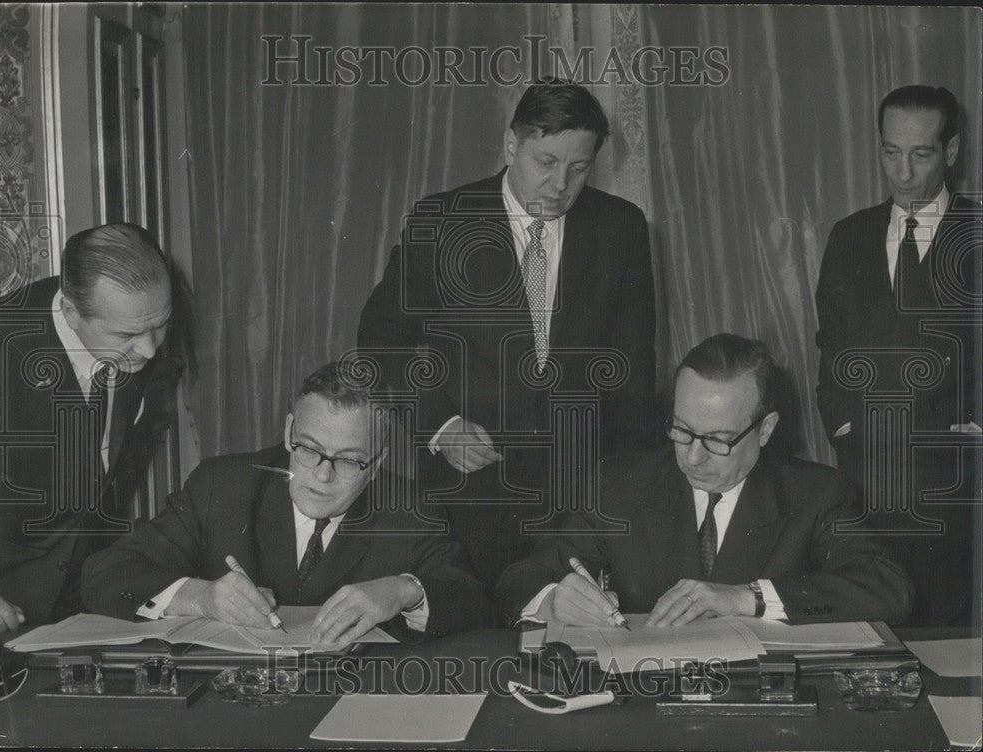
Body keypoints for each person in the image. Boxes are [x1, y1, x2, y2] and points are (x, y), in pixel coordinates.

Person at [358, 79, 656, 592]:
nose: (560, 184)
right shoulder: (443, 220)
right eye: (546, 162)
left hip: (580, 504)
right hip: (468, 500)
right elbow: (381, 339)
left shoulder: (621, 226)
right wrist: (440, 425)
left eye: (579, 168)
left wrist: (626, 490)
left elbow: (633, 369)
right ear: (512, 145)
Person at [496, 334, 914, 628]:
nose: (692, 456)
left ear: (765, 430)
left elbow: (890, 590)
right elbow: (520, 578)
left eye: (717, 440)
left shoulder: (816, 494)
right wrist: (553, 600)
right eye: (681, 430)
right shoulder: (618, 486)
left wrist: (746, 597)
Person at [81, 362, 491, 644]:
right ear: (289, 429)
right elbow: (106, 574)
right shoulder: (223, 485)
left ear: (378, 462)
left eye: (349, 460)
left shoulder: (409, 509)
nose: (322, 474)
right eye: (309, 448)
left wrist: (403, 591)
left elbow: (474, 602)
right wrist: (200, 597)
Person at [815, 85, 982, 626]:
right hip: (864, 475)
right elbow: (832, 346)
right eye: (891, 153)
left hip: (956, 481)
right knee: (871, 630)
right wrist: (841, 423)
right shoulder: (849, 236)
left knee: (946, 642)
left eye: (921, 154)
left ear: (951, 152)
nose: (903, 173)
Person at [0, 223, 177, 634]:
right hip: (0, 608)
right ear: (72, 313)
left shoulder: (136, 326)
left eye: (160, 325)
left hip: (85, 603)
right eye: (128, 335)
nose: (149, 349)